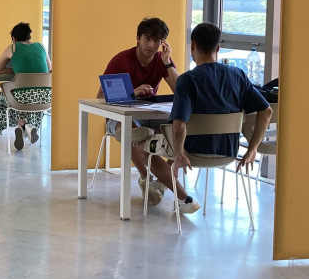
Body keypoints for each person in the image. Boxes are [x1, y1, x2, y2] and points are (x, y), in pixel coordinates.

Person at [168, 21, 272, 191]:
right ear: (218, 48)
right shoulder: (238, 75)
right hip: (229, 151)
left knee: (149, 140)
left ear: (192, 45)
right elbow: (266, 111)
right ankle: (161, 185)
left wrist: (179, 154)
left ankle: (159, 186)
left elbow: (179, 125)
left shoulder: (187, 80)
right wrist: (252, 149)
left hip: (192, 151)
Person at [99, 17, 182, 206]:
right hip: (118, 116)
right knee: (131, 129)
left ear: (163, 43)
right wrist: (131, 93)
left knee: (180, 130)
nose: (151, 45)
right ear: (138, 38)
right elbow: (100, 97)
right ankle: (146, 178)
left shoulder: (162, 61)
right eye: (147, 39)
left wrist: (167, 62)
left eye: (156, 41)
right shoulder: (121, 60)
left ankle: (160, 183)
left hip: (149, 114)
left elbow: (180, 91)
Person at [0, 22, 51, 150]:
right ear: (29, 36)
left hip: (22, 98)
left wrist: (16, 71)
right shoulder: (41, 46)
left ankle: (23, 125)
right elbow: (49, 69)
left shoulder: (13, 47)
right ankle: (26, 127)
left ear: (14, 38)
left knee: (3, 102)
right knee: (21, 99)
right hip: (45, 97)